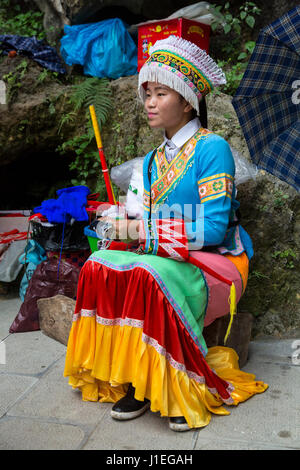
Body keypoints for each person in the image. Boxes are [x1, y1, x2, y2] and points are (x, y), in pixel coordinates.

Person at [64, 35, 267, 432]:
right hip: (167, 254)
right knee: (99, 264)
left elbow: (210, 229)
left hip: (217, 259)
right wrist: (120, 218)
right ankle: (137, 377)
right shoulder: (155, 159)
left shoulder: (213, 149)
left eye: (160, 93)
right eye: (147, 94)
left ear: (188, 100)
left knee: (145, 274)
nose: (150, 102)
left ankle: (180, 383)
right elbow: (149, 219)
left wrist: (141, 230)